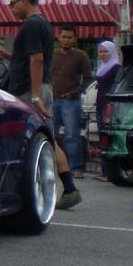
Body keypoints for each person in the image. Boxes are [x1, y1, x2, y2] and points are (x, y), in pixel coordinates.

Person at [0, 0, 81, 209]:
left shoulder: (31, 25)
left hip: (31, 90)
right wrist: (9, 55)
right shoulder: (42, 24)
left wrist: (33, 96)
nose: (11, 8)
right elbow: (29, 58)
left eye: (13, 3)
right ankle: (68, 188)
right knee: (46, 138)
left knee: (38, 140)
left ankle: (58, 188)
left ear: (24, 1)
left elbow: (37, 59)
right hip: (38, 88)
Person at [50, 25, 91, 178]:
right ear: (59, 37)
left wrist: (74, 93)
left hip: (71, 102)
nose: (66, 40)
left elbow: (88, 78)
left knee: (72, 136)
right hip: (52, 100)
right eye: (63, 37)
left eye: (69, 37)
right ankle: (53, 167)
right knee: (51, 135)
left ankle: (76, 168)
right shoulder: (52, 54)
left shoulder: (81, 56)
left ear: (75, 39)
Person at [94, 40, 120, 183]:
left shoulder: (115, 67)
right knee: (102, 138)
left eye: (106, 51)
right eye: (101, 51)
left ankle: (109, 173)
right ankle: (105, 172)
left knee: (108, 139)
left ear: (112, 53)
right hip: (100, 104)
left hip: (108, 107)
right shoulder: (102, 67)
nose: (103, 54)